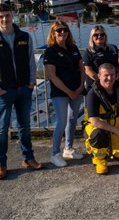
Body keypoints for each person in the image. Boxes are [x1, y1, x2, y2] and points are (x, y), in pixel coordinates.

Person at [0, 3, 42, 179]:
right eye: (0, 17)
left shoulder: (25, 37)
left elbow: (31, 61)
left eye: (7, 15)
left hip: (24, 88)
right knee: (1, 129)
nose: (4, 19)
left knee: (25, 126)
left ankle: (28, 158)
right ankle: (0, 164)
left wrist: (31, 82)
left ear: (12, 16)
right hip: (3, 91)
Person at [44, 21, 86, 168]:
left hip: (77, 90)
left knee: (73, 119)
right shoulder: (50, 51)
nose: (63, 33)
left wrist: (81, 87)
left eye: (65, 30)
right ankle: (55, 153)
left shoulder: (73, 48)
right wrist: (69, 92)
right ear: (53, 33)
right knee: (61, 121)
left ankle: (68, 148)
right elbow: (52, 76)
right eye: (59, 31)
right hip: (60, 92)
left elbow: (82, 68)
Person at [83, 63, 119, 175]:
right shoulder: (93, 94)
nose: (109, 78)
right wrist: (118, 131)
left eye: (112, 75)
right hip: (98, 129)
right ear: (99, 76)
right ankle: (99, 159)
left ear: (116, 76)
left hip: (117, 129)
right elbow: (95, 121)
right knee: (98, 134)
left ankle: (111, 150)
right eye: (106, 75)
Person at [82, 25, 119, 92]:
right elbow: (88, 70)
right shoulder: (88, 52)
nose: (99, 37)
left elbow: (118, 66)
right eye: (96, 35)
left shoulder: (113, 48)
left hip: (113, 85)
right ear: (92, 37)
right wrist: (103, 81)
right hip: (95, 86)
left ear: (105, 36)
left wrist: (114, 79)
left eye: (102, 34)